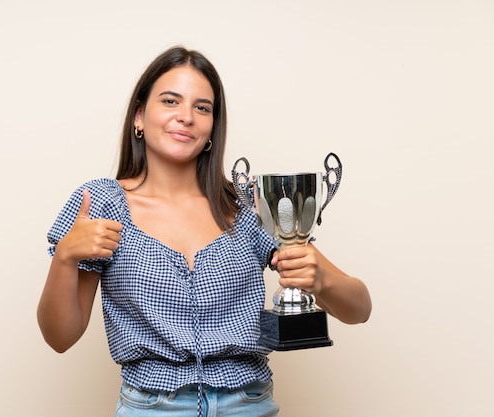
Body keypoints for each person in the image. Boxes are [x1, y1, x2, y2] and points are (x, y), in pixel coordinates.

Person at [37, 46, 372, 417]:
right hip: (152, 408)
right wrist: (65, 258)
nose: (186, 117)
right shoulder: (101, 204)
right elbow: (60, 338)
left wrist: (321, 280)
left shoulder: (246, 207)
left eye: (202, 107)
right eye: (170, 101)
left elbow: (360, 308)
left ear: (213, 126)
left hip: (249, 405)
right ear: (139, 117)